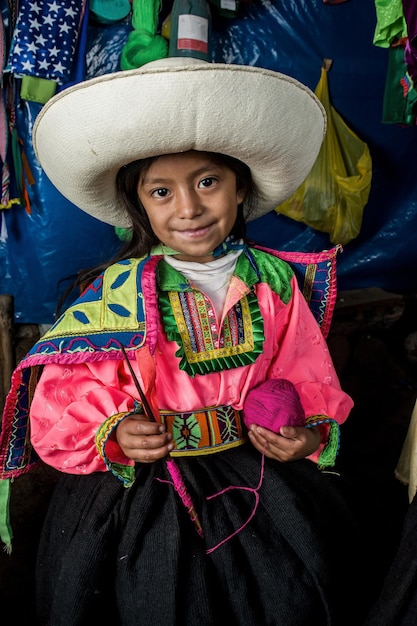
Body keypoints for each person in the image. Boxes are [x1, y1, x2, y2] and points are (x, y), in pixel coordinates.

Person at [0, 57, 363, 625]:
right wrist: (114, 428)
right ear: (138, 205)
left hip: (258, 477)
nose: (189, 208)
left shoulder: (274, 284)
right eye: (162, 191)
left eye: (207, 182)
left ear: (240, 188)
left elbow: (305, 373)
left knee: (287, 594)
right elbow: (68, 394)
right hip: (147, 492)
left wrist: (307, 432)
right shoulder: (117, 292)